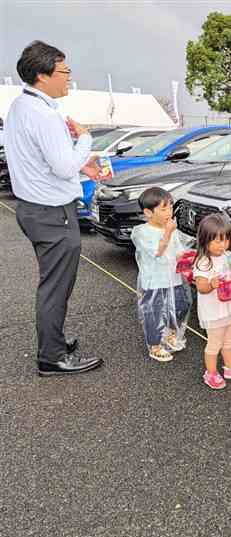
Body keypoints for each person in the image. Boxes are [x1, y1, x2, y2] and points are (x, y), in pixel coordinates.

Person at [4, 40, 104, 376]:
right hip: (52, 214)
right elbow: (62, 166)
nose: (69, 78)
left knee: (52, 283)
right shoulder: (44, 115)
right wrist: (86, 141)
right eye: (64, 71)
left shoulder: (21, 107)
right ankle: (52, 357)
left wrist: (79, 166)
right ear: (43, 75)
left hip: (34, 210)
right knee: (55, 287)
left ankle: (55, 343)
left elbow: (44, 164)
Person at [131, 187, 193, 363]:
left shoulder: (170, 229)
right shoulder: (141, 232)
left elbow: (179, 252)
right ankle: (155, 345)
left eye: (171, 207)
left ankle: (171, 334)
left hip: (173, 278)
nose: (169, 212)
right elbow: (157, 252)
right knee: (155, 313)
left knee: (182, 304)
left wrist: (191, 261)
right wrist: (168, 232)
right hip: (154, 282)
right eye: (164, 209)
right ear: (148, 213)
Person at [192, 214, 231, 390]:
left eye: (225, 240)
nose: (223, 245)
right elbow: (200, 286)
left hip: (230, 306)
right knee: (215, 343)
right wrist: (211, 284)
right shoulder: (203, 262)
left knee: (229, 340)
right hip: (214, 310)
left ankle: (230, 368)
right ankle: (210, 373)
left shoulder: (229, 256)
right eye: (217, 241)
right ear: (205, 241)